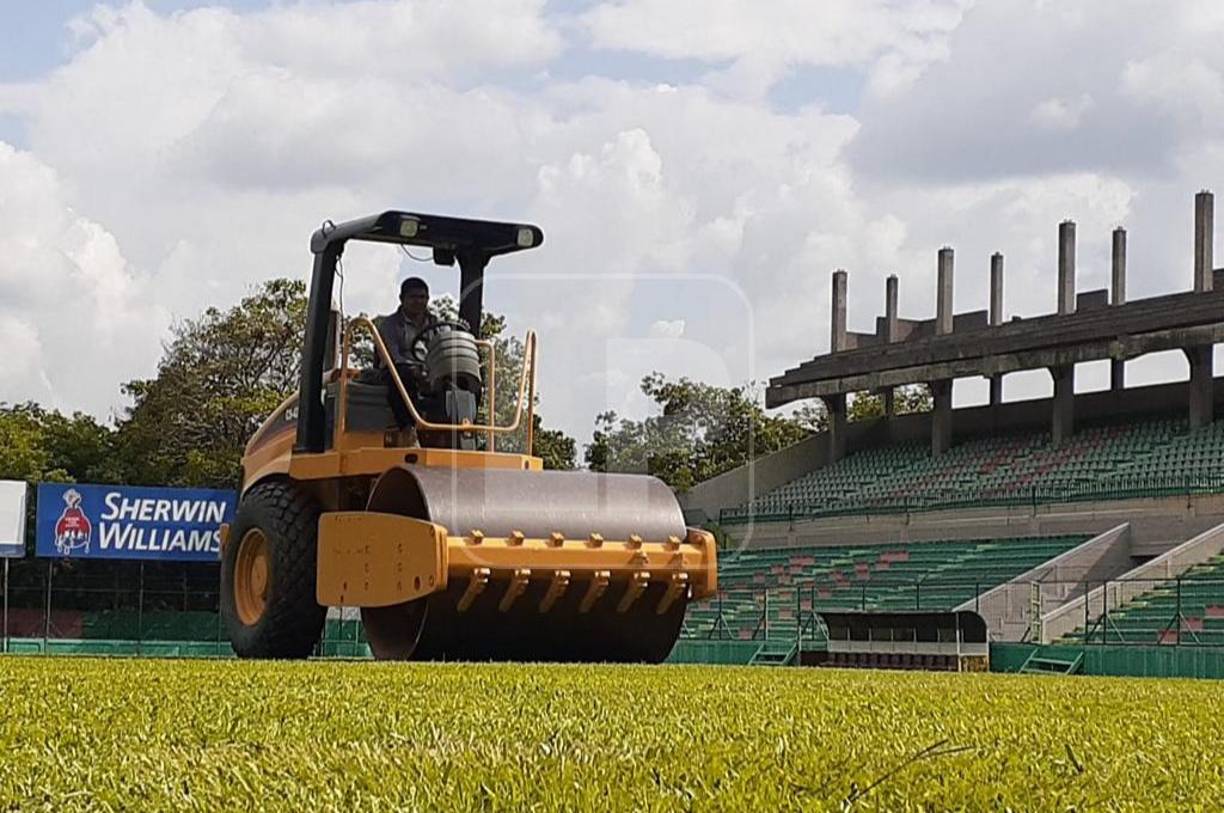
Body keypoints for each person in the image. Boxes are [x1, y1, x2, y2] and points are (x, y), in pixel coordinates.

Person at [378, 277, 438, 434]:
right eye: (413, 297)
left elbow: (444, 348)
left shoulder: (436, 324)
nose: (418, 301)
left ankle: (464, 431)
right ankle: (408, 429)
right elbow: (393, 357)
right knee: (402, 374)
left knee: (465, 379)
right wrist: (417, 371)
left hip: (429, 372)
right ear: (402, 299)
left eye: (422, 297)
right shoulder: (390, 325)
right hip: (398, 371)